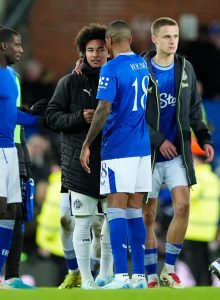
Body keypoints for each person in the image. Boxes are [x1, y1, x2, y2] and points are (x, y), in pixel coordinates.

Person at [141, 17, 214, 289]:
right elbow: (133, 114)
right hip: (148, 155)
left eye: (176, 36)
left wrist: (204, 138)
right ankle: (150, 274)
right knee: (148, 216)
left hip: (177, 154)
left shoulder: (185, 69)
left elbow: (194, 108)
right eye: (167, 36)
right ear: (155, 39)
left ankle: (168, 269)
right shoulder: (141, 69)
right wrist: (158, 140)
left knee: (183, 206)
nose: (173, 41)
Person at [80, 20, 152, 289]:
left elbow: (103, 108)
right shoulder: (141, 65)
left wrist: (87, 143)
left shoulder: (111, 68)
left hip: (119, 147)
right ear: (130, 38)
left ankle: (121, 275)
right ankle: (140, 277)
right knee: (135, 209)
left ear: (109, 41)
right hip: (142, 148)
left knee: (115, 207)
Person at [46, 23, 113, 290]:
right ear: (82, 53)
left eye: (100, 49)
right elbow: (51, 116)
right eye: (90, 50)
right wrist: (78, 117)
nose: (95, 54)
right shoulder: (69, 82)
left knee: (108, 223)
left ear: (109, 52)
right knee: (69, 222)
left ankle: (103, 275)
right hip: (76, 164)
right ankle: (77, 272)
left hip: (109, 161)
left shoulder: (117, 79)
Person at [0, 27, 40, 289]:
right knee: (3, 208)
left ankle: (8, 276)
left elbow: (11, 115)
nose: (21, 49)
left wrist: (42, 116)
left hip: (11, 149)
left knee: (13, 210)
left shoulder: (10, 75)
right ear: (3, 46)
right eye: (16, 44)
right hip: (1, 148)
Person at [183, 138, 220, 286]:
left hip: (193, 230)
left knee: (196, 266)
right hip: (208, 230)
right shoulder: (212, 177)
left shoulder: (197, 176)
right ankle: (206, 287)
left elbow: (188, 197)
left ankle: (202, 287)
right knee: (205, 263)